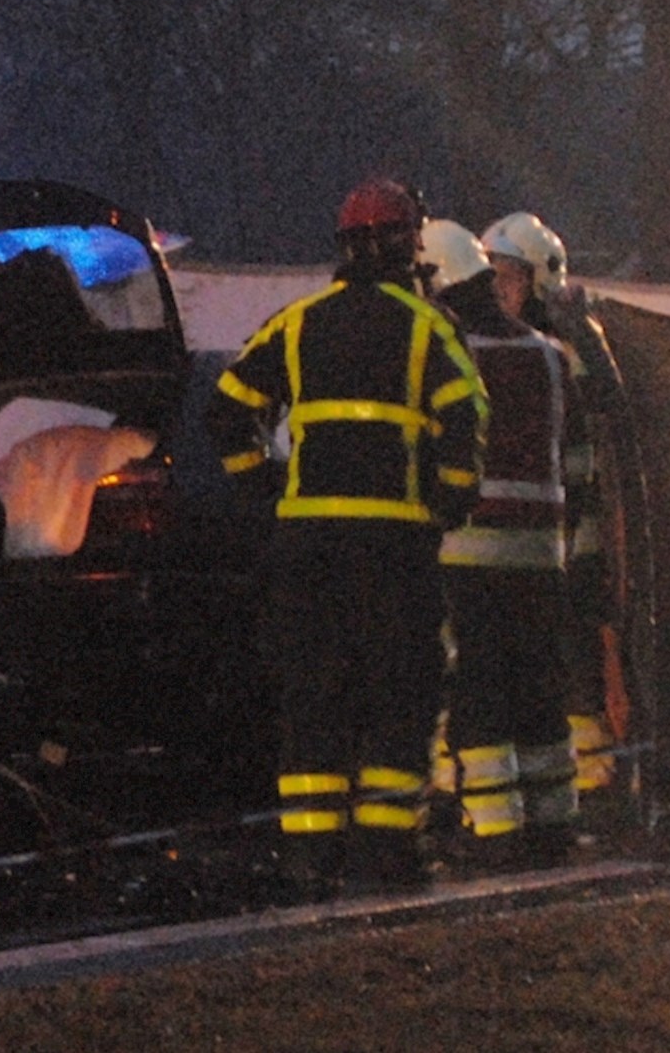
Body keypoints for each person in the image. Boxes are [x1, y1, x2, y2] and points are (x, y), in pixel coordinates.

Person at [205, 178, 488, 896]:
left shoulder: (297, 324)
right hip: (394, 549)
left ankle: (311, 852)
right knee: (401, 691)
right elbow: (467, 414)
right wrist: (449, 500)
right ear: (405, 243)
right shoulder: (427, 327)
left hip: (306, 550)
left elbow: (226, 410)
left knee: (314, 695)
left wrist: (264, 489)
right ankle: (388, 853)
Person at [421, 218, 590, 865]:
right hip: (543, 553)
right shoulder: (551, 356)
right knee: (540, 691)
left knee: (478, 695)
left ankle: (492, 830)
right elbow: (575, 463)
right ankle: (554, 819)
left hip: (468, 551)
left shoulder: (451, 353)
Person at [481, 212, 618, 805]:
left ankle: (593, 774)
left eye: (508, 278)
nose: (496, 291)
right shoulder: (504, 346)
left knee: (573, 651)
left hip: (576, 531)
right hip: (533, 530)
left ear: (537, 281)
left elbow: (599, 410)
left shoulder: (568, 345)